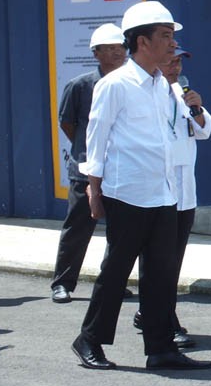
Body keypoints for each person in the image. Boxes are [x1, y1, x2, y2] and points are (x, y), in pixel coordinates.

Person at [70, 0, 211, 371]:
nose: (171, 44)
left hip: (164, 192)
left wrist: (196, 109)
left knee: (162, 273)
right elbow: (96, 137)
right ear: (141, 41)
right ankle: (89, 339)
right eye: (165, 36)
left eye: (171, 36)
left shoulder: (162, 86)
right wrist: (94, 187)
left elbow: (191, 129)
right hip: (128, 193)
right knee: (116, 272)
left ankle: (160, 348)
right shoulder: (115, 84)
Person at [133, 47, 211, 348]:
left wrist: (198, 108)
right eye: (169, 61)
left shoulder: (184, 92)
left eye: (178, 62)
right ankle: (163, 320)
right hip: (155, 188)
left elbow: (203, 132)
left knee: (172, 260)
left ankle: (151, 313)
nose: (174, 67)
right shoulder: (144, 94)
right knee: (158, 261)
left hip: (183, 191)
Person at [51, 23, 132, 304]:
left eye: (120, 48)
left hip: (120, 170)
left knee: (120, 233)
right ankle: (62, 283)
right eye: (110, 49)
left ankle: (112, 283)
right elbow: (68, 123)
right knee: (78, 228)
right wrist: (87, 152)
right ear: (96, 53)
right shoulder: (80, 86)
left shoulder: (131, 83)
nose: (117, 53)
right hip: (86, 170)